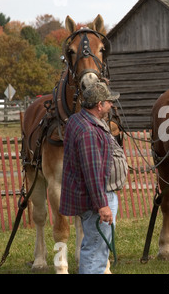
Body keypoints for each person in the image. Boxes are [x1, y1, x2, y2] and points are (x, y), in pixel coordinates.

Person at [60, 81, 128, 274]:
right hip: (97, 199)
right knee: (96, 249)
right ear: (99, 105)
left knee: (94, 246)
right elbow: (92, 173)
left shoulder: (78, 119)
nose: (112, 105)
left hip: (91, 196)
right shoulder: (89, 131)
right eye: (109, 102)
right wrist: (102, 204)